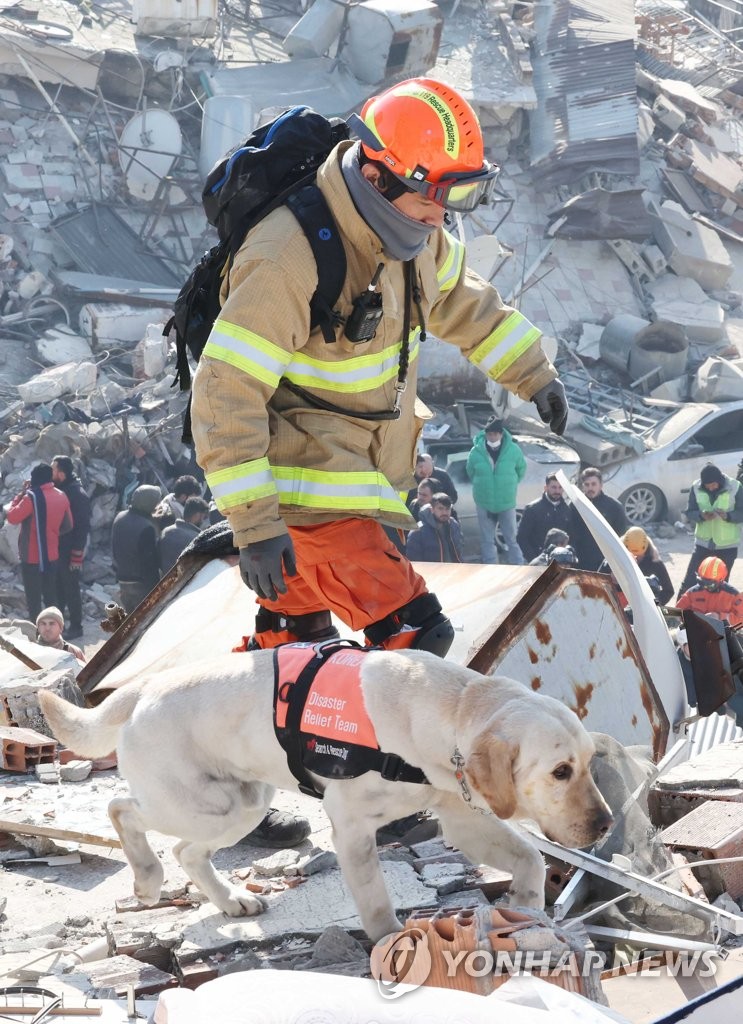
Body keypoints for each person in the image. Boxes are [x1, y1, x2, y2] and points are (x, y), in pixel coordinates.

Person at [190, 77, 568, 845]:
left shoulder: (408, 233)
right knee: (412, 638)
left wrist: (532, 372)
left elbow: (468, 305)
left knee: (288, 655)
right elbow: (223, 392)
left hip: (353, 480)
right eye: (434, 199)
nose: (441, 218)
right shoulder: (287, 255)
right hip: (304, 490)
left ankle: (238, 779)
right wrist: (254, 524)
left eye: (454, 202)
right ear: (376, 175)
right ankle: (385, 794)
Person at [6, 464, 73, 622]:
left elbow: (12, 517)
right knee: (51, 596)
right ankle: (55, 630)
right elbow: (68, 525)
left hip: (31, 556)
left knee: (34, 598)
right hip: (51, 554)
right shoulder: (61, 495)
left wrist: (20, 494)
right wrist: (52, 533)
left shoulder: (31, 497)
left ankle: (38, 634)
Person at [466, 417, 526, 565]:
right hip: (484, 503)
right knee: (487, 540)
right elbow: (470, 471)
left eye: (495, 434)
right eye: (490, 434)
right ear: (486, 434)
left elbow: (521, 469)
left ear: (501, 434)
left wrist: (510, 484)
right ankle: (491, 568)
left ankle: (519, 566)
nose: (492, 437)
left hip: (507, 502)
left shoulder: (513, 450)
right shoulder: (476, 451)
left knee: (511, 539)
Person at [677, 463, 743, 599]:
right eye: (707, 486)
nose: (710, 488)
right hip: (703, 544)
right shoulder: (696, 487)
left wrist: (729, 516)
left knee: (720, 586)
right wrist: (701, 515)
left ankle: (717, 618)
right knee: (690, 581)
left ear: (719, 480)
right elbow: (689, 511)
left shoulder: (735, 487)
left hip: (727, 546)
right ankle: (677, 616)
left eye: (713, 485)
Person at [51, 455, 91, 640]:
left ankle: (76, 627)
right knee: (58, 588)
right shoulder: (60, 489)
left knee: (71, 588)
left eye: (53, 470)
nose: (51, 473)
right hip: (58, 550)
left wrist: (77, 554)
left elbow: (82, 527)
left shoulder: (77, 494)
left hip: (70, 551)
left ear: (61, 473)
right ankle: (59, 625)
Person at [111, 485, 163, 614]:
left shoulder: (120, 517)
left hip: (123, 578)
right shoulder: (146, 527)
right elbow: (149, 563)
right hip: (141, 584)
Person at [598, 526, 673, 611]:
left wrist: (654, 606)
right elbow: (597, 584)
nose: (636, 559)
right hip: (614, 605)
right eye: (631, 556)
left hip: (642, 606)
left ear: (645, 551)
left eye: (639, 556)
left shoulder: (654, 562)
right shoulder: (612, 559)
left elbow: (668, 591)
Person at [570, 467, 629, 571]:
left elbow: (622, 536)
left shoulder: (614, 507)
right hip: (580, 560)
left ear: (601, 485)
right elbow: (570, 533)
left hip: (604, 561)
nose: (590, 488)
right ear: (582, 486)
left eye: (593, 484)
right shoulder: (575, 505)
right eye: (587, 484)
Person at [517, 473, 572, 563]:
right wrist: (534, 559)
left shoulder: (567, 510)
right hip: (537, 560)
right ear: (546, 488)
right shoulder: (532, 509)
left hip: (560, 563)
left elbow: (571, 536)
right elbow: (522, 537)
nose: (557, 491)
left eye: (560, 487)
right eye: (553, 487)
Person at [676, 556, 743, 626]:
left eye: (709, 584)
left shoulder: (733, 595)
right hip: (696, 630)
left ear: (720, 580)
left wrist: (719, 617)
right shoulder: (692, 593)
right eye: (701, 582)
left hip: (723, 633)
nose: (705, 586)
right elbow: (677, 612)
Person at [406, 493, 463, 562]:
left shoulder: (454, 525)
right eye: (440, 508)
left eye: (447, 509)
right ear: (432, 509)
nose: (444, 512)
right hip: (431, 571)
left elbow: (459, 550)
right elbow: (414, 561)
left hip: (455, 570)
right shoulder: (418, 530)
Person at [159, 496, 210, 574]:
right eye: (204, 516)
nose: (203, 520)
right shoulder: (196, 539)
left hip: (166, 581)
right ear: (197, 515)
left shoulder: (166, 531)